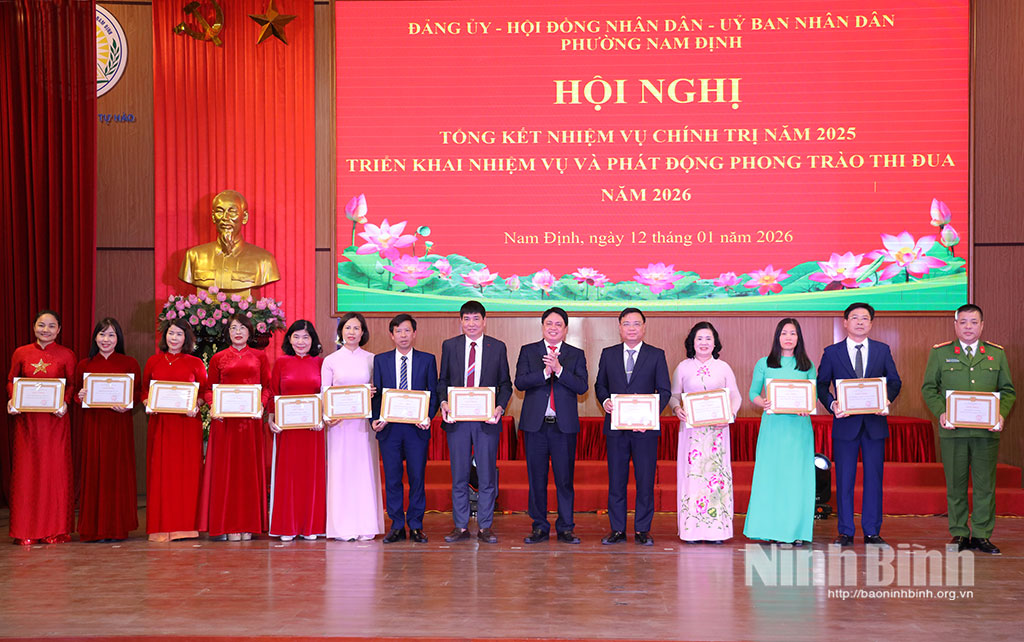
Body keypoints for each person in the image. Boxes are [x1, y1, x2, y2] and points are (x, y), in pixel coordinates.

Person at [921, 303, 1015, 555]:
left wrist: (1001, 414)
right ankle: (960, 532)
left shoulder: (996, 354)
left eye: (973, 322)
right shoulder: (940, 353)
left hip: (986, 433)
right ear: (955, 325)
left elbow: (1008, 391)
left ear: (982, 326)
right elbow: (929, 388)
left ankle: (982, 535)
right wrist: (941, 412)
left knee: (985, 486)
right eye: (963, 322)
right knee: (956, 485)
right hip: (953, 432)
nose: (968, 327)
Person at [817, 302, 901, 547]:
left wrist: (886, 399)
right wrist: (832, 404)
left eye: (865, 318)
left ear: (871, 323)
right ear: (845, 322)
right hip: (845, 424)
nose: (860, 322)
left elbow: (895, 382)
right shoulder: (832, 352)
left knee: (874, 479)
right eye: (855, 317)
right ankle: (845, 531)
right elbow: (821, 385)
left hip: (874, 424)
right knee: (844, 479)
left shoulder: (882, 350)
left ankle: (872, 531)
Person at [437, 300, 513, 544]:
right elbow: (442, 380)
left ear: (484, 321)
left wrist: (500, 407)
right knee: (459, 475)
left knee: (487, 476)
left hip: (486, 421)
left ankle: (485, 527)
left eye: (476, 318)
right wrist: (443, 402)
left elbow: (505, 384)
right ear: (461, 321)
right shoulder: (450, 346)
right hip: (458, 421)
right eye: (467, 319)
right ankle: (460, 527)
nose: (471, 323)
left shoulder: (497, 347)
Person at [595, 307, 671, 546]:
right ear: (619, 328)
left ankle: (642, 530)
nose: (631, 328)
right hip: (616, 429)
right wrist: (605, 401)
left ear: (644, 327)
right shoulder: (608, 354)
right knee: (616, 480)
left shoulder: (656, 355)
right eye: (626, 324)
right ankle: (617, 529)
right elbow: (600, 385)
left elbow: (665, 391)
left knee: (645, 481)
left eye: (636, 324)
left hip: (645, 431)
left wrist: (649, 417)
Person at [514, 307, 589, 545]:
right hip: (535, 427)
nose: (553, 328)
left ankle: (566, 528)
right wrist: (545, 373)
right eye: (549, 323)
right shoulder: (529, 351)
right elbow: (520, 382)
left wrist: (560, 370)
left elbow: (582, 387)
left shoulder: (575, 354)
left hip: (563, 428)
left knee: (564, 480)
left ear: (565, 329)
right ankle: (539, 527)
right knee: (536, 479)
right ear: (543, 326)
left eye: (558, 324)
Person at [6, 310, 77, 545]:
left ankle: (54, 530)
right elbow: (11, 380)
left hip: (55, 422)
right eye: (41, 325)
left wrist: (65, 402)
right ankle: (25, 530)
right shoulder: (21, 353)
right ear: (34, 326)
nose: (46, 330)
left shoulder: (67, 355)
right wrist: (12, 399)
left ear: (59, 330)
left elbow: (72, 384)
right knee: (27, 474)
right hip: (27, 423)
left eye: (51, 326)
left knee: (54, 473)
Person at [744, 318, 817, 546]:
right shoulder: (764, 363)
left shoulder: (807, 365)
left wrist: (807, 406)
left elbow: (812, 397)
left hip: (799, 430)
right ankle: (769, 529)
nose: (788, 337)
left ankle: (797, 531)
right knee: (771, 477)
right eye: (784, 333)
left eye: (793, 333)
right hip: (773, 428)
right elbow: (753, 393)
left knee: (797, 479)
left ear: (799, 338)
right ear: (777, 336)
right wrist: (762, 402)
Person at [201, 313, 272, 541]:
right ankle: (228, 524)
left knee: (248, 472)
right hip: (225, 423)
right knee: (226, 472)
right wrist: (213, 406)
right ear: (228, 332)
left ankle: (249, 523)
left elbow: (267, 387)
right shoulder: (218, 358)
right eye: (233, 328)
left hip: (250, 423)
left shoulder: (260, 357)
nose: (238, 332)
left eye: (242, 327)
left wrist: (261, 405)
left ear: (250, 332)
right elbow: (209, 389)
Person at [668, 322, 742, 544]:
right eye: (699, 338)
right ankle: (691, 530)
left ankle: (717, 530)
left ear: (715, 342)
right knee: (692, 477)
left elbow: (735, 396)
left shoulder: (723, 367)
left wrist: (730, 415)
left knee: (716, 478)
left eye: (708, 338)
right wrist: (677, 408)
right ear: (692, 342)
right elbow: (673, 395)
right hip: (691, 433)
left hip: (717, 433)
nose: (704, 343)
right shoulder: (683, 367)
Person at [371, 314, 438, 544]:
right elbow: (376, 395)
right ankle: (397, 525)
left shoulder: (427, 360)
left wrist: (428, 417)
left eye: (407, 330)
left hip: (416, 429)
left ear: (414, 334)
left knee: (417, 478)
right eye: (398, 331)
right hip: (389, 429)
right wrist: (374, 419)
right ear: (391, 335)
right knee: (392, 478)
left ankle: (416, 525)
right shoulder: (380, 360)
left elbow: (433, 393)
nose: (403, 335)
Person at [73, 317, 142, 542]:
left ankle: (116, 527)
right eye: (102, 334)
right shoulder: (84, 365)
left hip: (119, 426)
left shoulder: (129, 363)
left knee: (117, 474)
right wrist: (80, 395)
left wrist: (128, 404)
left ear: (118, 338)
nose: (106, 339)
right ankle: (94, 528)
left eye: (111, 335)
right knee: (94, 472)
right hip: (93, 426)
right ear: (95, 337)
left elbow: (137, 393)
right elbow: (75, 394)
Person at [142, 319, 207, 542]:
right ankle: (160, 527)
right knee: (160, 474)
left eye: (179, 334)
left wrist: (197, 405)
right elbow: (144, 390)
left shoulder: (195, 363)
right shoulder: (153, 361)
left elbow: (204, 392)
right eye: (171, 333)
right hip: (161, 425)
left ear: (186, 338)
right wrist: (147, 402)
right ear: (165, 336)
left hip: (187, 425)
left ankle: (185, 527)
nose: (174, 338)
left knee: (186, 474)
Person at [321, 312, 385, 541]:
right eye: (348, 327)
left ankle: (366, 525)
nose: (352, 332)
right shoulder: (330, 360)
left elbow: (378, 391)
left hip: (362, 426)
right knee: (340, 471)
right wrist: (327, 416)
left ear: (363, 332)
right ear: (341, 331)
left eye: (356, 328)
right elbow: (324, 392)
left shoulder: (372, 359)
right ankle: (341, 527)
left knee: (363, 471)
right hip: (339, 426)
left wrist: (372, 392)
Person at [267, 320, 326, 542]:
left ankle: (311, 525)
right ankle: (287, 526)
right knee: (288, 477)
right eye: (296, 337)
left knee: (311, 477)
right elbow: (273, 392)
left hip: (312, 430)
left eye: (306, 337)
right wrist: (271, 418)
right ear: (289, 339)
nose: (301, 342)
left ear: (313, 340)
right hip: (288, 430)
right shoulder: (281, 363)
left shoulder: (321, 363)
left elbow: (326, 394)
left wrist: (322, 417)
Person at [178, 189, 280, 297]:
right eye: (220, 211)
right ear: (213, 217)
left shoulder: (264, 260)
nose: (225, 218)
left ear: (244, 217)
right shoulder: (194, 256)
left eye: (232, 212)